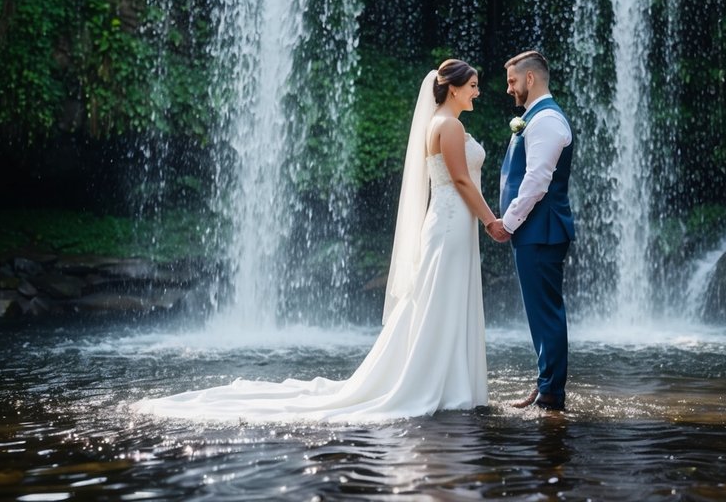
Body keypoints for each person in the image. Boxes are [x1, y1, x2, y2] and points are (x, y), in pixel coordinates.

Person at [133, 60, 502, 423]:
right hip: (452, 222)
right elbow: (462, 181)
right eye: (472, 86)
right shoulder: (449, 125)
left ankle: (445, 379)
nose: (477, 92)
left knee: (438, 298)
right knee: (442, 297)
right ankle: (442, 382)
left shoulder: (439, 122)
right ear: (453, 87)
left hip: (449, 221)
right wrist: (491, 221)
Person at [486, 50, 574, 412]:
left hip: (542, 230)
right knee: (539, 312)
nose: (509, 89)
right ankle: (545, 384)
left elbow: (537, 182)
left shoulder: (547, 120)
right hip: (535, 231)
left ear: (530, 79)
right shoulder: (534, 118)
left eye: (512, 81)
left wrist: (507, 223)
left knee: (546, 312)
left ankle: (551, 391)